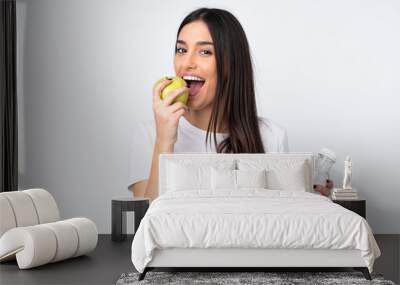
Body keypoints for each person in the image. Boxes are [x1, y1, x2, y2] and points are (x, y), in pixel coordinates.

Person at [128, 8, 330, 201]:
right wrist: (164, 141)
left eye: (205, 52)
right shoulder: (149, 134)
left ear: (231, 65)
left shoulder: (271, 136)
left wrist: (308, 199)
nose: (187, 62)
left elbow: (277, 221)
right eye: (181, 49)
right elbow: (145, 223)